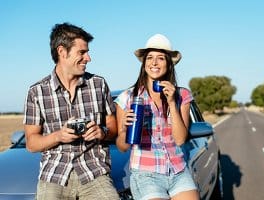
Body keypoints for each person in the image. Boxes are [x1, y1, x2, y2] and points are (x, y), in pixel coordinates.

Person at [23, 23, 119, 200]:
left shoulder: (98, 84)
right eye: (82, 52)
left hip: (94, 172)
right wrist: (59, 136)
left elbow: (114, 130)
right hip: (54, 174)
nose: (88, 58)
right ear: (62, 51)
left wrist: (102, 132)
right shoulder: (36, 92)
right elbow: (31, 143)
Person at [114, 34, 200, 200]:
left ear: (168, 64)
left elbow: (180, 139)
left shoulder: (182, 94)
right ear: (144, 63)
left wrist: (172, 103)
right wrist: (125, 129)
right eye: (150, 58)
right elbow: (122, 147)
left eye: (160, 58)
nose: (154, 63)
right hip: (146, 175)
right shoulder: (127, 98)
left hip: (178, 170)